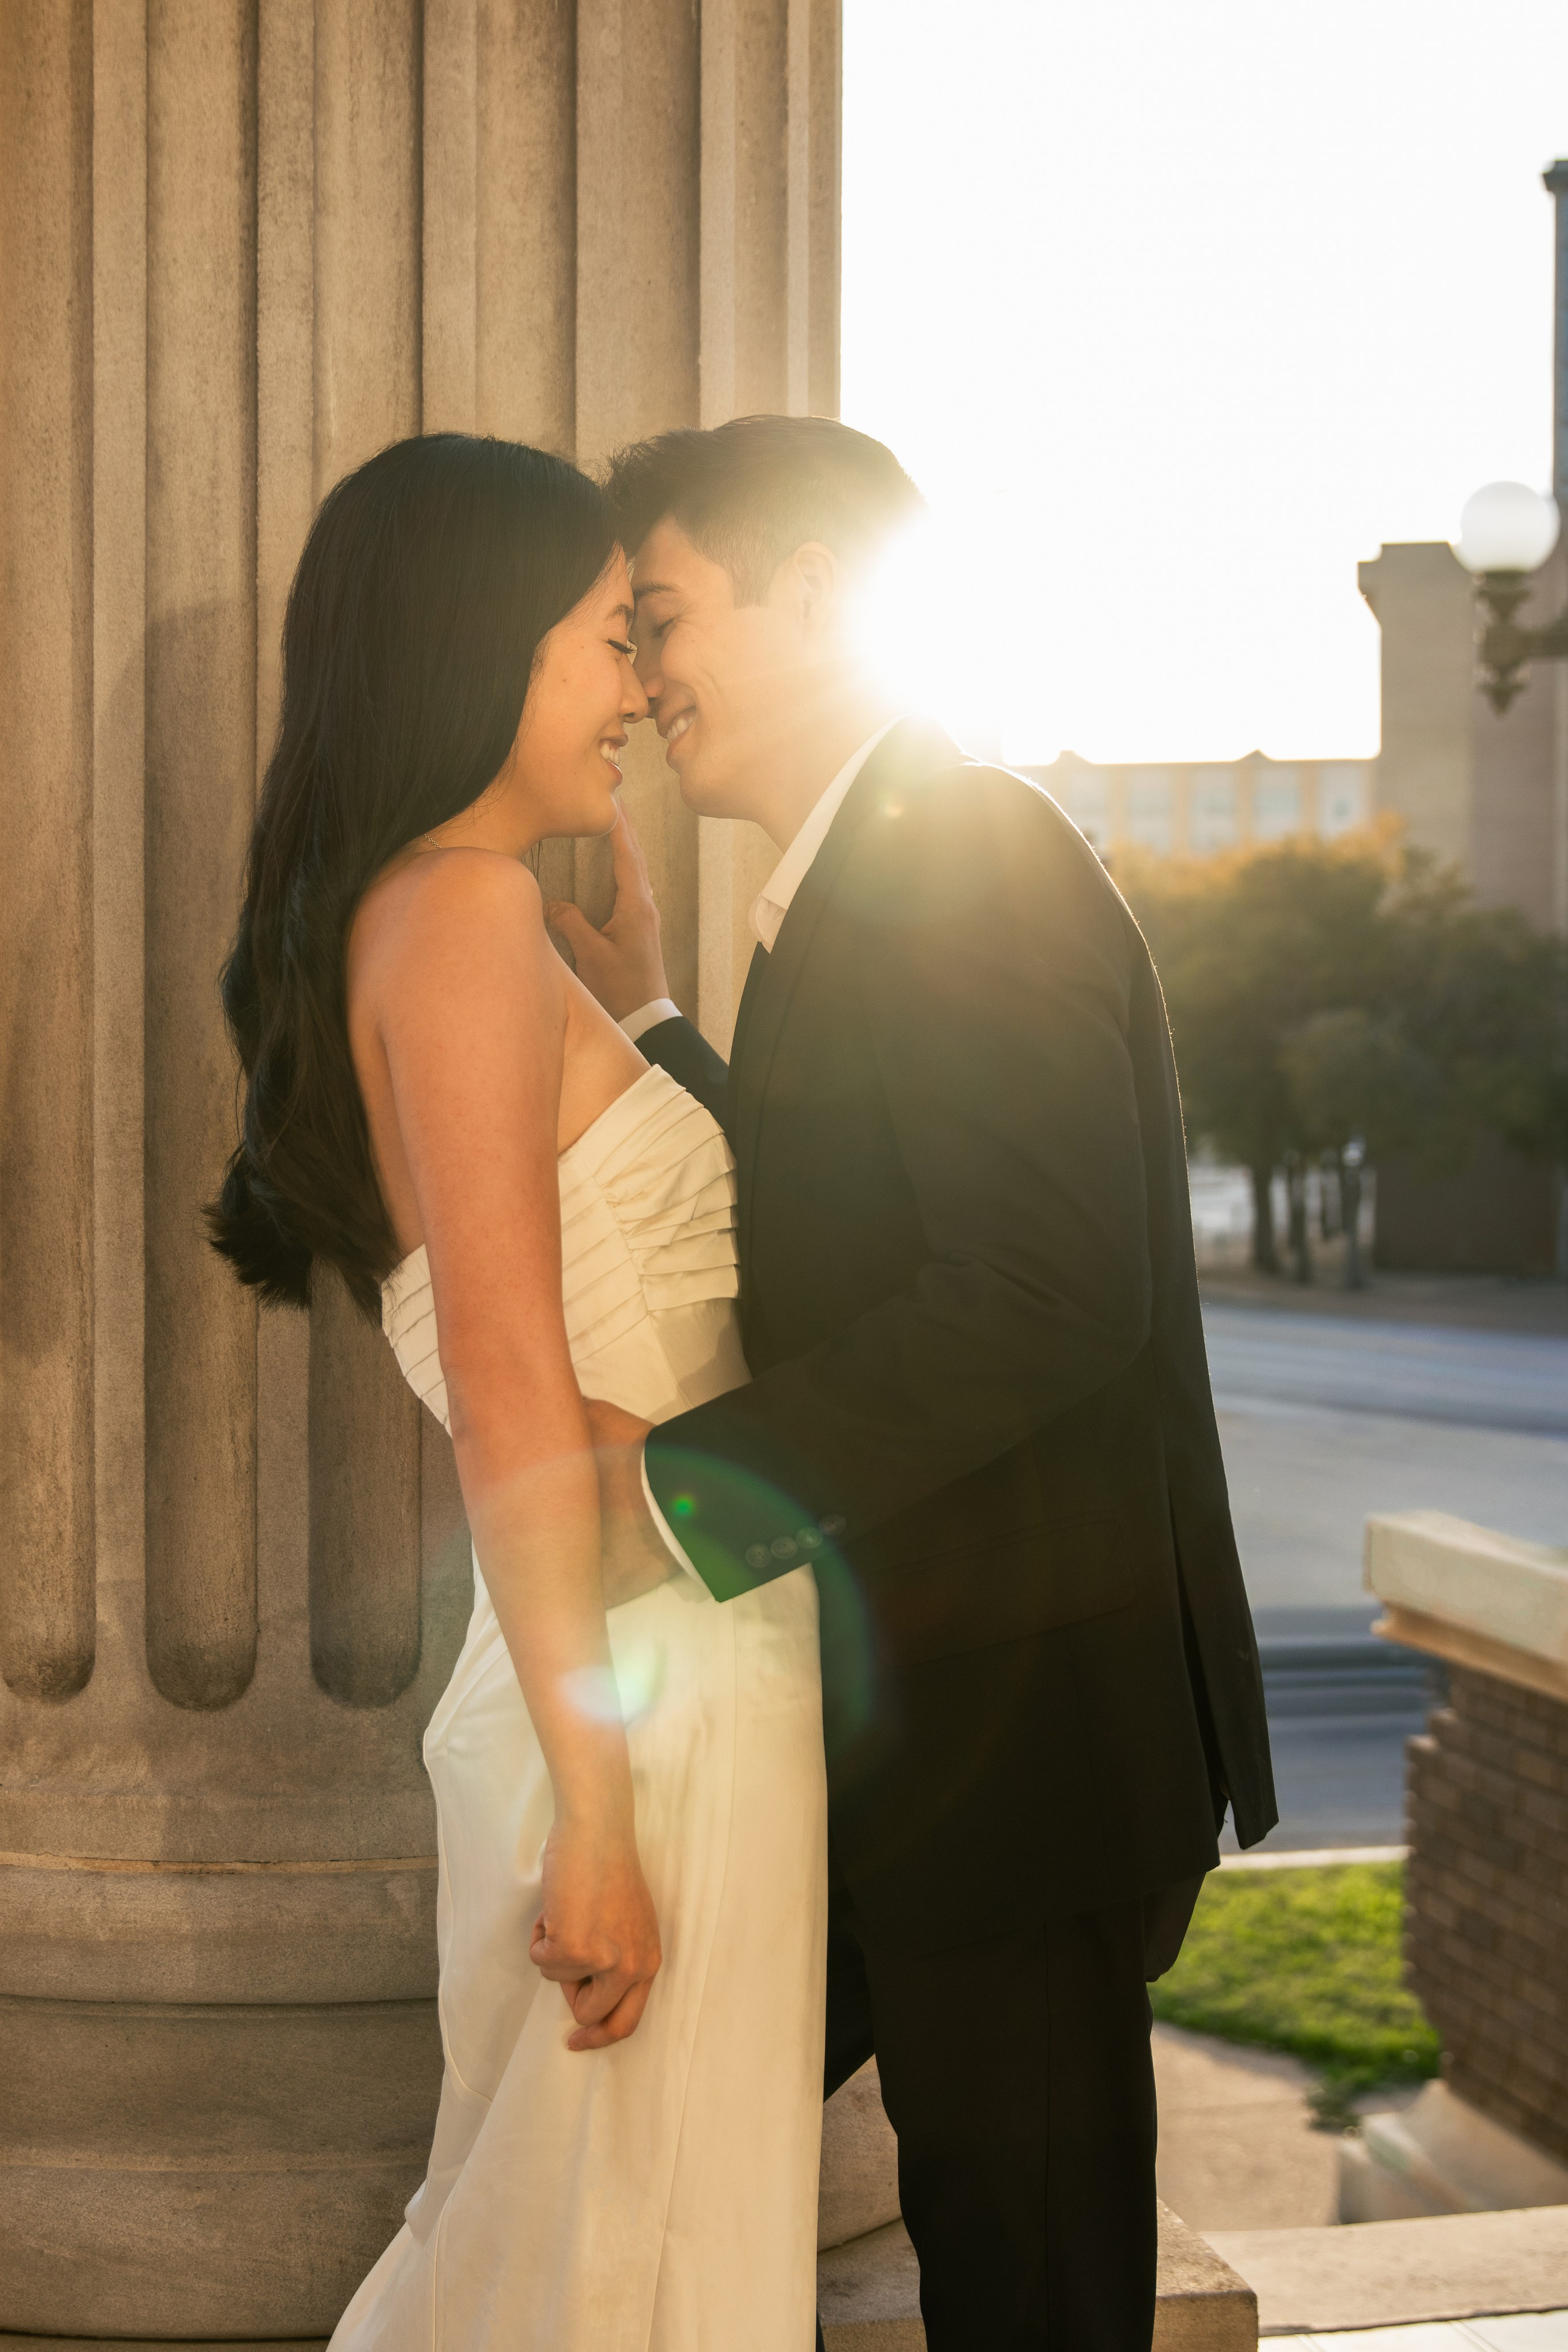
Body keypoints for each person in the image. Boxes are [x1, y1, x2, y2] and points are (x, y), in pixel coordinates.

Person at [552, 413, 1279, 2352]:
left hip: (1026, 1744)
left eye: (662, 615)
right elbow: (846, 1222)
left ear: (814, 593)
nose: (639, 679)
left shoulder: (963, 850)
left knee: (1031, 2298)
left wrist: (675, 1487)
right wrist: (645, 1021)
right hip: (935, 1729)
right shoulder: (854, 871)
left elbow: (1044, 1286)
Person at [208, 433, 827, 2351]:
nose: (637, 686)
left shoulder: (472, 920)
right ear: (482, 649)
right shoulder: (461, 915)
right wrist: (598, 1817)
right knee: (609, 2275)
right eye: (597, 636)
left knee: (620, 2253)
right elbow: (506, 1379)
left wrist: (641, 1019)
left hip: (675, 1674)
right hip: (650, 1710)